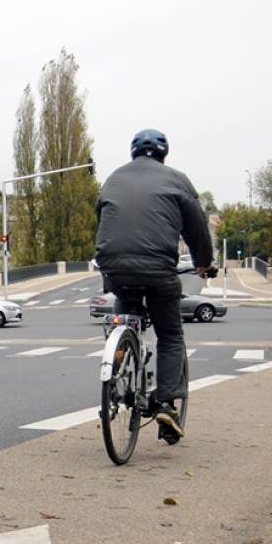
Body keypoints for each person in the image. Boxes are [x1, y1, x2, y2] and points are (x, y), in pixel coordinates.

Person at [94, 128, 217, 444]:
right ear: (164, 154)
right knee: (170, 334)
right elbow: (197, 231)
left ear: (132, 152)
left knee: (125, 310)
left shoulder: (113, 179)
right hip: (158, 271)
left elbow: (104, 220)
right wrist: (204, 263)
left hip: (114, 267)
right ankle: (165, 404)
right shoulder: (177, 180)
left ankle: (118, 371)